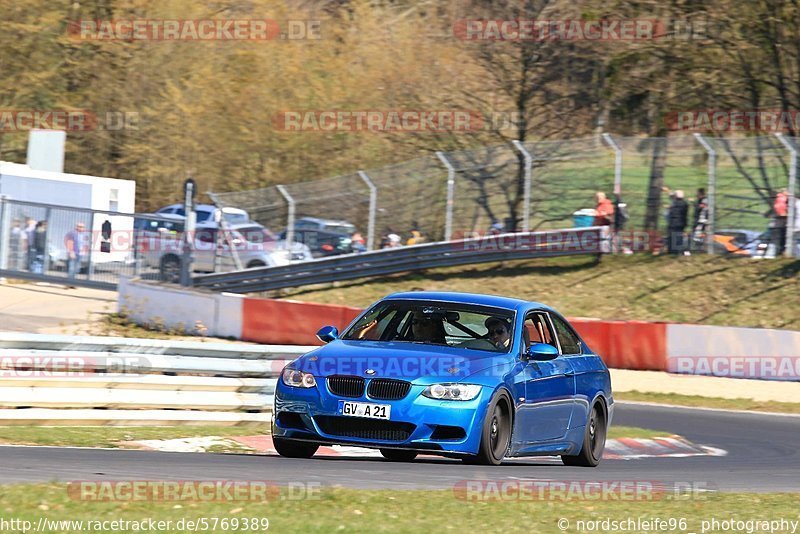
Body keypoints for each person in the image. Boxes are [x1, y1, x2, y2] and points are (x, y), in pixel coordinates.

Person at [667, 190, 689, 255]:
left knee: (672, 237)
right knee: (679, 236)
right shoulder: (685, 204)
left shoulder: (674, 203)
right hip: (682, 222)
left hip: (674, 222)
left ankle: (673, 251)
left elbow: (671, 211)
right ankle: (679, 251)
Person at [773, 188, 789, 256]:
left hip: (780, 220)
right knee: (782, 237)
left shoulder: (779, 198)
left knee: (781, 238)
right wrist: (785, 213)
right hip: (783, 219)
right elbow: (781, 208)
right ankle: (782, 252)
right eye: (787, 192)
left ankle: (780, 252)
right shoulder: (782, 198)